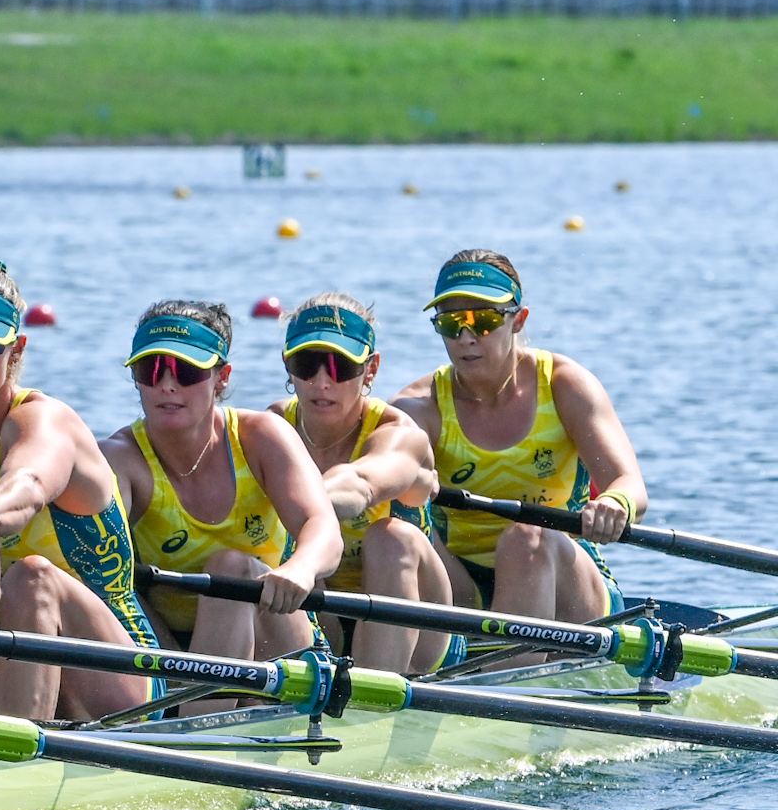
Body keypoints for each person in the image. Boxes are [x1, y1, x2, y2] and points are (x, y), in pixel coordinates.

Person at [0, 260, 161, 722]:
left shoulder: (45, 421)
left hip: (122, 673)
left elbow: (27, 486)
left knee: (31, 578)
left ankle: (6, 764)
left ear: (16, 350)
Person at [392, 250, 645, 622]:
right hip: (463, 588)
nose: (465, 337)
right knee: (396, 533)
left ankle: (496, 673)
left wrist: (616, 502)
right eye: (450, 323)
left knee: (526, 538)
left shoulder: (565, 385)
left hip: (568, 585)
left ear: (518, 320)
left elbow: (631, 484)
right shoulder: (418, 408)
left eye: (483, 321)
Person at [101, 301, 342, 664]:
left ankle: (198, 714)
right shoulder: (120, 457)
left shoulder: (260, 436)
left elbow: (323, 528)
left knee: (232, 567)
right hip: (169, 645)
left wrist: (301, 568)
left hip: (274, 635)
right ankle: (183, 704)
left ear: (222, 377)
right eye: (151, 370)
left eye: (186, 371)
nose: (167, 386)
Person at [265, 294, 462, 675]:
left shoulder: (400, 434)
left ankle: (373, 702)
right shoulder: (271, 428)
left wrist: (303, 507)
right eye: (307, 364)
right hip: (319, 611)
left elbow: (358, 486)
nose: (322, 381)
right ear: (288, 367)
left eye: (340, 366)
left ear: (370, 370)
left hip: (419, 624)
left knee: (391, 538)